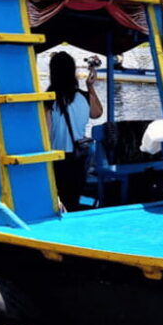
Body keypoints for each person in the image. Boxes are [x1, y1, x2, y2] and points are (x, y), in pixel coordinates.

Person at [45, 51, 103, 211]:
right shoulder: (83, 96)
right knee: (73, 197)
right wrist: (90, 87)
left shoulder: (48, 100)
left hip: (58, 157)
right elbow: (97, 113)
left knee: (59, 199)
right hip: (80, 155)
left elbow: (46, 134)